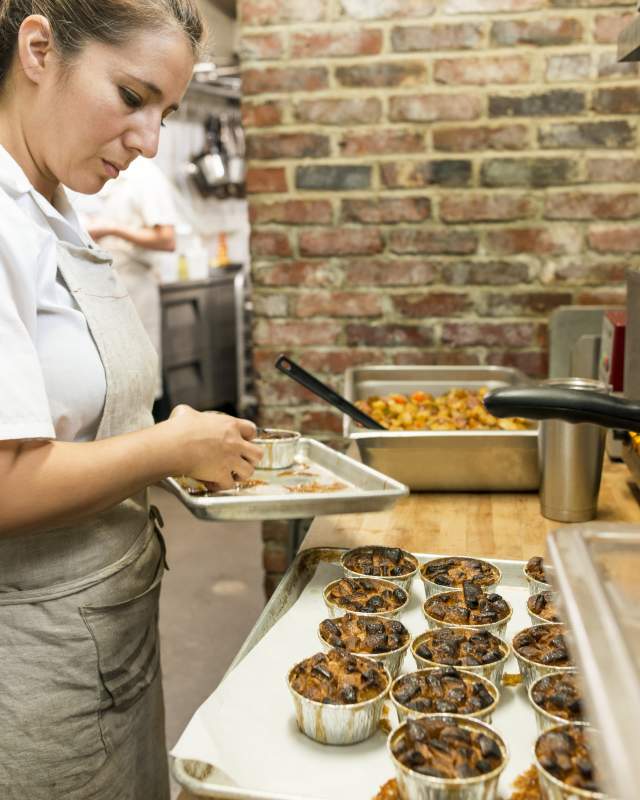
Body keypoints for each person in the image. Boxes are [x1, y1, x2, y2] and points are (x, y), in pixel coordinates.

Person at [0, 3, 262, 799]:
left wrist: (165, 432)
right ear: (39, 49)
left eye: (166, 114)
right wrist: (170, 447)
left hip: (107, 636)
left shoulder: (51, 207)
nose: (149, 142)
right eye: (131, 97)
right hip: (33, 661)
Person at [79, 156, 179, 403]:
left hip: (135, 286)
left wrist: (111, 229)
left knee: (139, 377)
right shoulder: (86, 171)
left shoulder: (145, 175)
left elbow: (167, 238)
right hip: (95, 286)